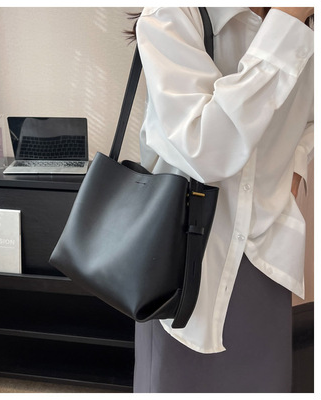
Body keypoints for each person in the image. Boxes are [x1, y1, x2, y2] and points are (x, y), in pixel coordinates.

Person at [129, 7, 314, 392]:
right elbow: (205, 148)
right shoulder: (174, 14)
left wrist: (294, 177)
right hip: (182, 256)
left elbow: (311, 119)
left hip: (266, 249)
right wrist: (286, 26)